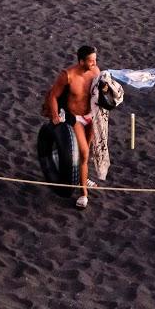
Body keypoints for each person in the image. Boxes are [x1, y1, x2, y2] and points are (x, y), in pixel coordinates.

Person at [43, 45, 102, 209]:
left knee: (87, 151)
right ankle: (83, 194)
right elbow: (53, 96)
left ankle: (84, 177)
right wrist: (55, 116)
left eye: (95, 60)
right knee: (83, 152)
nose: (94, 63)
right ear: (81, 61)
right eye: (90, 61)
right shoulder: (67, 75)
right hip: (75, 118)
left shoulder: (95, 71)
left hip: (91, 116)